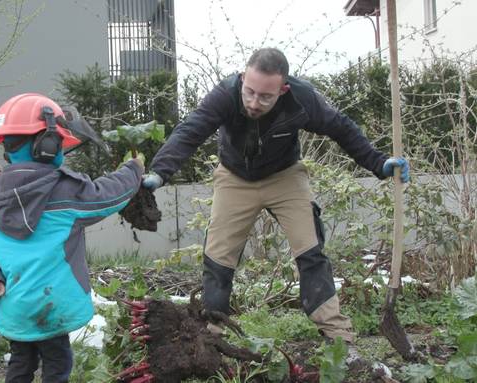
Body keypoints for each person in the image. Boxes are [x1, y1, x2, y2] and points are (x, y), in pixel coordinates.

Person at [142, 48, 409, 351]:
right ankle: (210, 338)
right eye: (250, 92)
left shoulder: (302, 99)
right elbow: (191, 131)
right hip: (234, 178)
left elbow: (342, 129)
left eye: (265, 97)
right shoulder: (224, 95)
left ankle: (338, 338)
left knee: (310, 249)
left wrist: (378, 162)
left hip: (285, 177)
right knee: (218, 258)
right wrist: (159, 173)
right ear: (243, 79)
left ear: (282, 90)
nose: (255, 103)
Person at [0, 93, 144, 382]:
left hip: (15, 308)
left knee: (21, 362)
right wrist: (132, 171)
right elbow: (107, 196)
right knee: (57, 365)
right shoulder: (64, 193)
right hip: (52, 308)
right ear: (45, 146)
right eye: (58, 142)